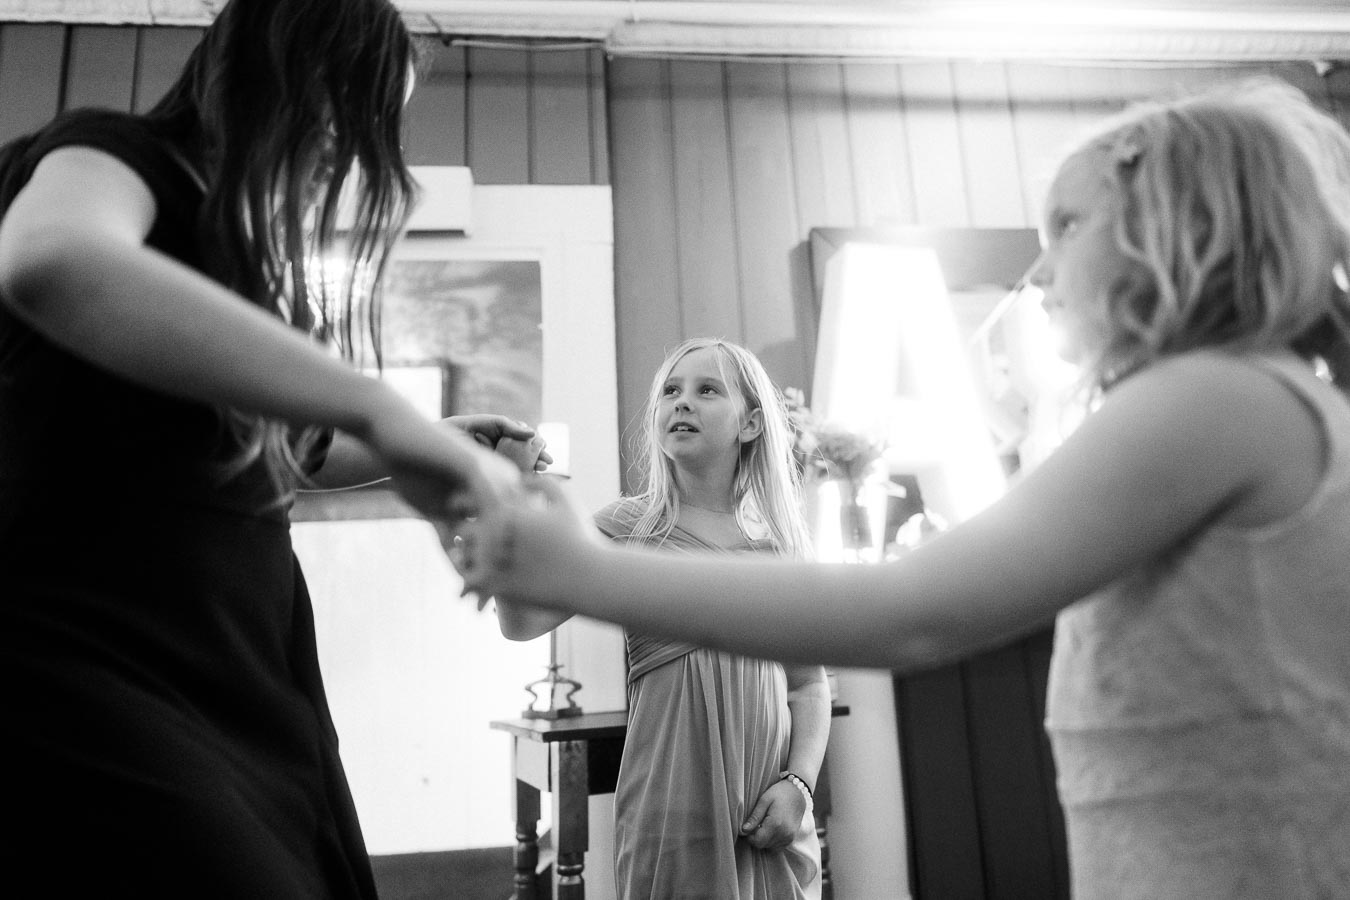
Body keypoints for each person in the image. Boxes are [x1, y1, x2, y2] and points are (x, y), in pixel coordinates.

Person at [463, 79, 1350, 898]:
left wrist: (576, 568)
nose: (1039, 275)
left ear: (1179, 227)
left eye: (1069, 228)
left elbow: (911, 611)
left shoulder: (1212, 400)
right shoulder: (1227, 399)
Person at [0, 0, 538, 895]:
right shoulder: (113, 152)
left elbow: (291, 453)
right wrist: (378, 409)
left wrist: (426, 441)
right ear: (275, 65)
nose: (351, 145)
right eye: (350, 103)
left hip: (244, 668)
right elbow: (52, 260)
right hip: (96, 653)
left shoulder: (249, 273)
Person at [496, 338, 831, 899]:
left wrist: (799, 784)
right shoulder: (627, 529)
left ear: (750, 424)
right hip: (671, 807)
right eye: (671, 391)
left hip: (765, 811)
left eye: (708, 390)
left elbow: (808, 685)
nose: (682, 401)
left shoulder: (778, 546)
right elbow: (520, 622)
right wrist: (511, 499)